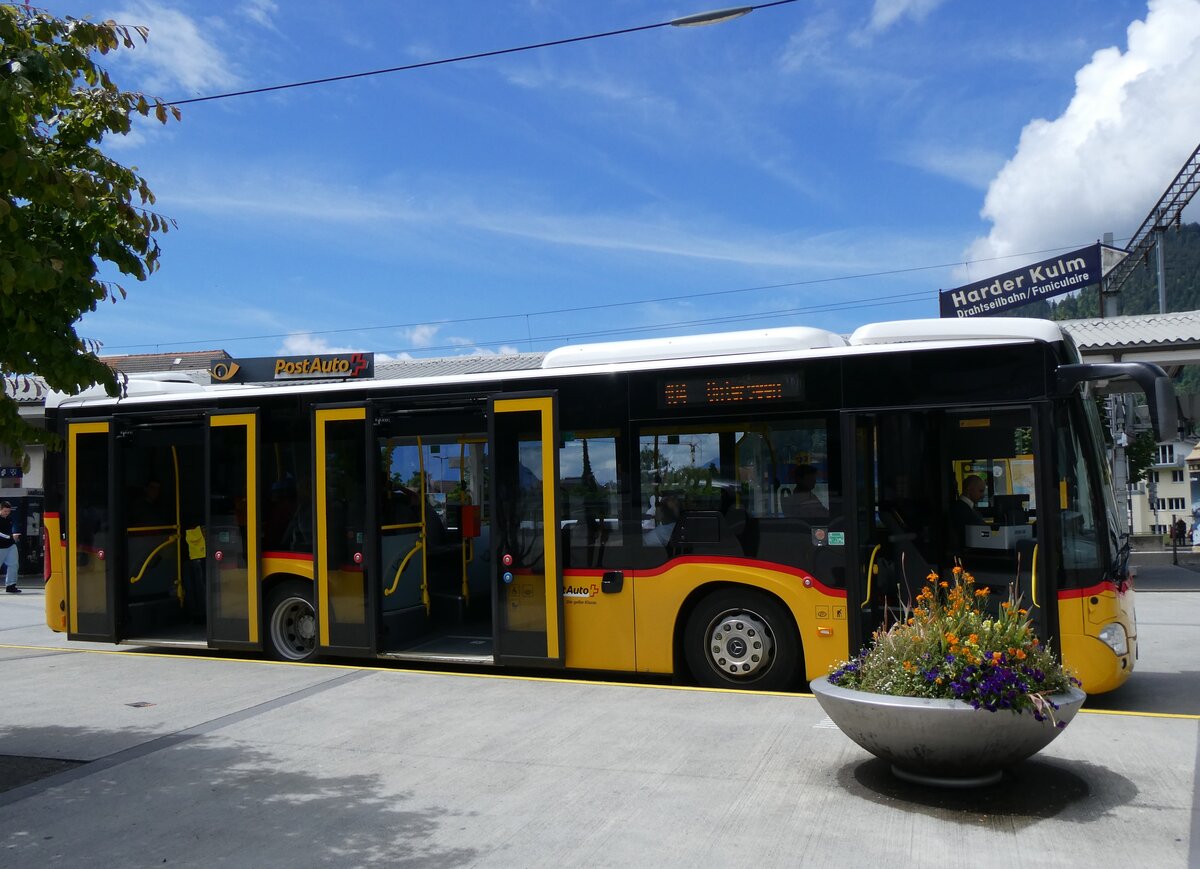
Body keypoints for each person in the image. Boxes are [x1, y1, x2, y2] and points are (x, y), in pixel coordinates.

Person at [948, 475, 987, 553]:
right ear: (969, 490)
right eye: (980, 491)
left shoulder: (967, 508)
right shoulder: (960, 509)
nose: (983, 496)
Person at [0, 501, 22, 594]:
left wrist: (13, 537)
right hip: (0, 546)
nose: (7, 513)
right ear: (0, 509)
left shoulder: (10, 519)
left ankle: (11, 585)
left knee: (14, 564)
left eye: (8, 511)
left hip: (11, 545)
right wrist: (10, 536)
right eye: (5, 511)